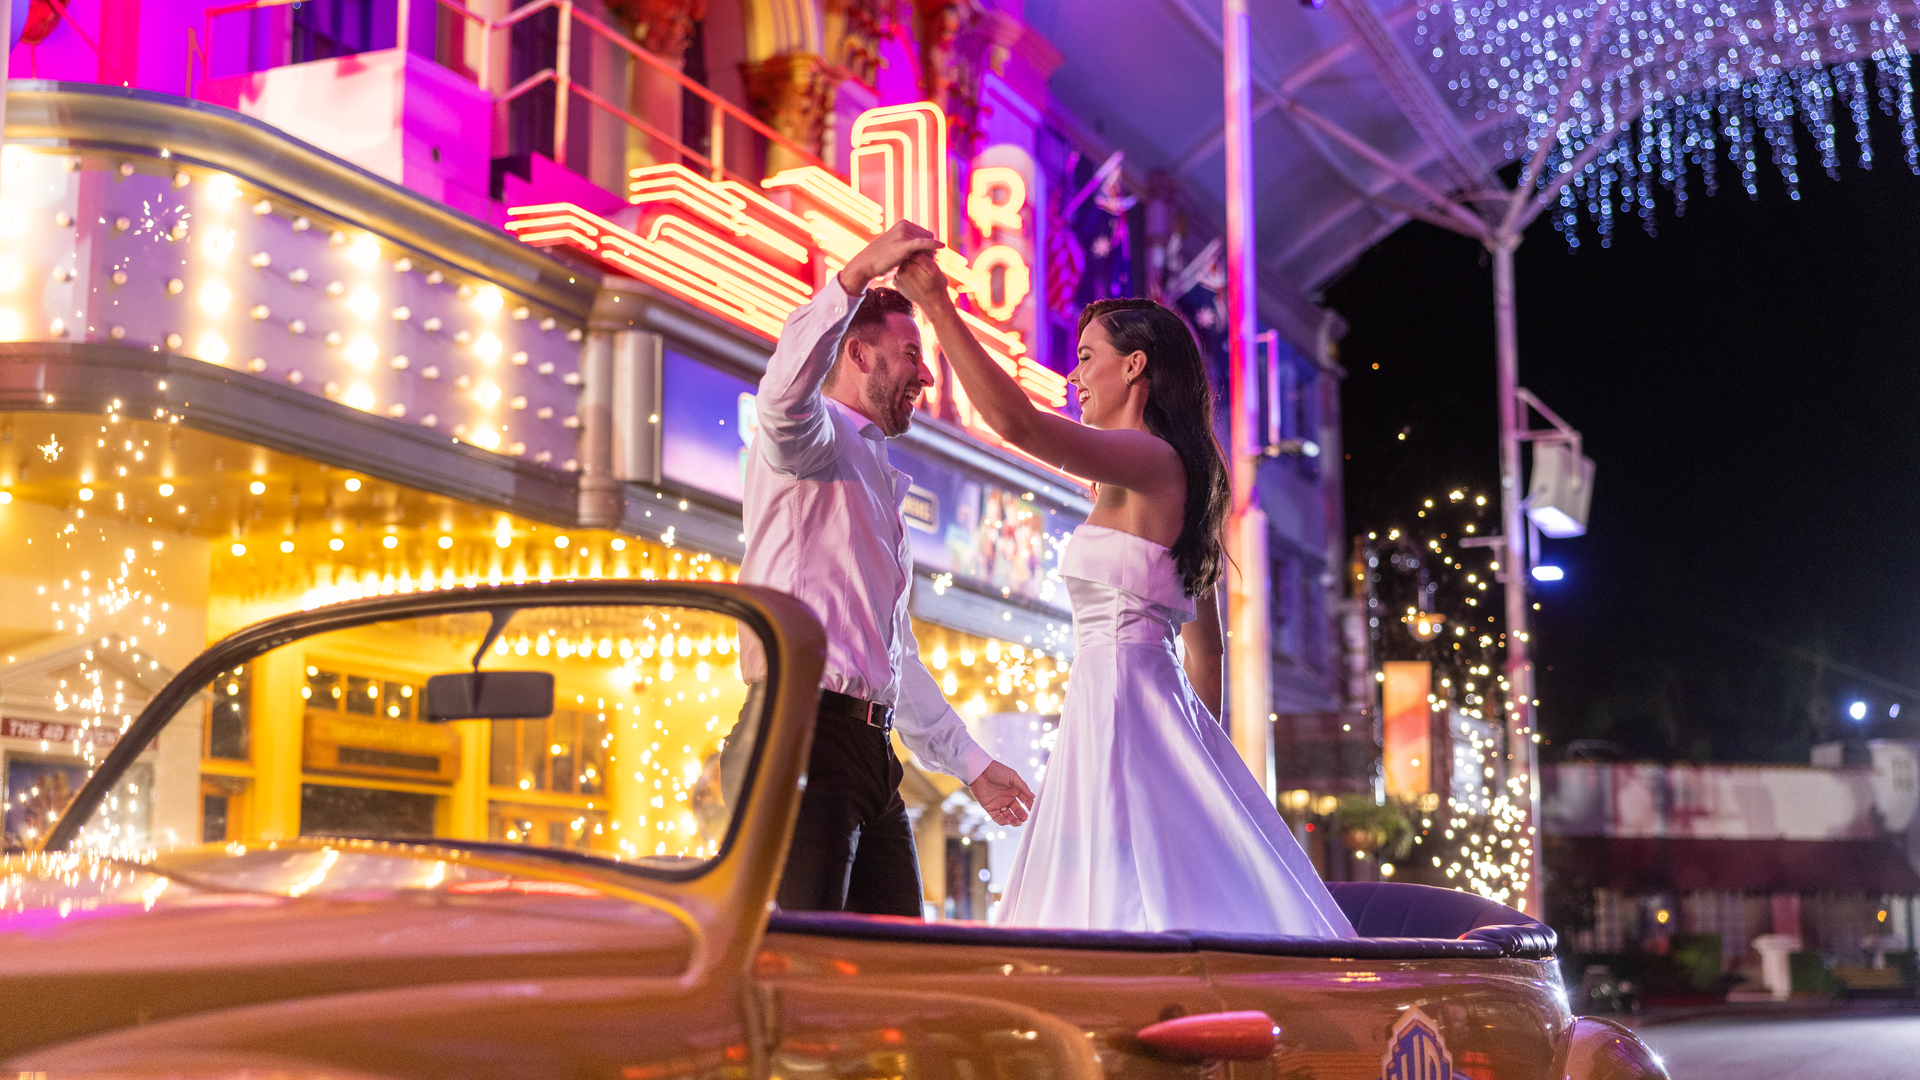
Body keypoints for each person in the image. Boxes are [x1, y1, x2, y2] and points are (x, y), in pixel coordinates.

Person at [894, 258, 1351, 936]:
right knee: (1139, 889)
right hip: (1133, 702)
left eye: (1086, 358)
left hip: (1121, 703)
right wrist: (1192, 757)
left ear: (1135, 366)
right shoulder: (1159, 472)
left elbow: (1019, 426)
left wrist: (937, 304)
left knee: (1117, 896)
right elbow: (1206, 653)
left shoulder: (1152, 459)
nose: (1073, 376)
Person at [738, 221, 1036, 917]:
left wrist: (972, 764)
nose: (926, 375)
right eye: (910, 354)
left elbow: (892, 659)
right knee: (809, 959)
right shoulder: (812, 440)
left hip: (868, 752)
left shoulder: (869, 469)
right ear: (857, 353)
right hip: (801, 737)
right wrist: (857, 273)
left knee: (898, 956)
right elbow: (781, 401)